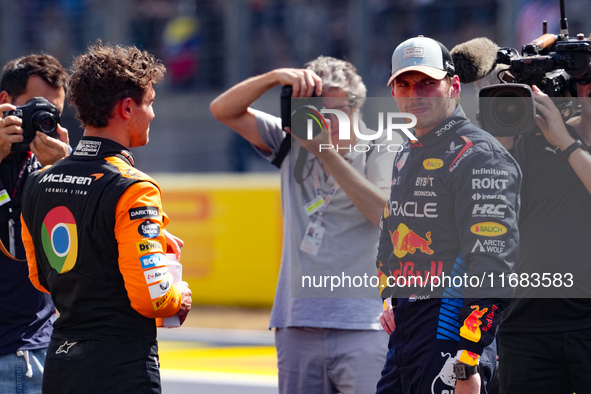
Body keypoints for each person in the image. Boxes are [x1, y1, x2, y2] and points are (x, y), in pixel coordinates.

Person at [210, 56, 393, 393]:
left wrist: (324, 151)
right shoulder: (292, 142)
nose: (325, 119)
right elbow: (223, 110)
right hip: (297, 323)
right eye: (316, 110)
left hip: (364, 323)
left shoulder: (379, 146)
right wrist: (272, 76)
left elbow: (384, 214)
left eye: (334, 110)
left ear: (356, 106)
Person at [20, 42, 192, 394]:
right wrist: (179, 296)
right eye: (151, 102)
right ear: (127, 107)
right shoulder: (135, 188)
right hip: (118, 366)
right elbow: (152, 298)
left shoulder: (37, 180)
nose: (154, 114)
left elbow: (41, 278)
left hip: (60, 363)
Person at [376, 36, 521, 394]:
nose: (415, 93)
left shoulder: (480, 155)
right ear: (393, 91)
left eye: (428, 82)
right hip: (408, 333)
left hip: (450, 334)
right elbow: (391, 230)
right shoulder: (406, 153)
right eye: (405, 84)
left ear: (454, 85)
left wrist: (467, 358)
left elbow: (493, 264)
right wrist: (388, 296)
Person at [495, 77, 591, 392]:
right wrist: (503, 146)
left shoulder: (559, 137)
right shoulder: (535, 139)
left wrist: (567, 143)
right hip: (526, 328)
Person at [0, 54, 69, 393]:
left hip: (40, 345)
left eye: (52, 112)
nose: (42, 119)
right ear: (5, 103)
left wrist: (69, 173)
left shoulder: (53, 166)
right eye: (33, 107)